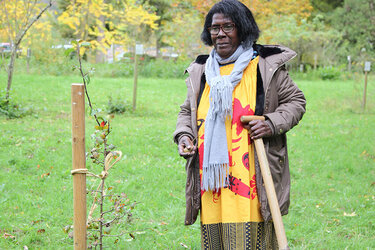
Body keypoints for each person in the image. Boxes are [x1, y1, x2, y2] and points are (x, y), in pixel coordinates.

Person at [173, 0, 306, 248]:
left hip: (252, 173)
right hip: (212, 177)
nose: (220, 34)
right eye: (215, 28)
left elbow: (295, 102)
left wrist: (270, 122)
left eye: (228, 27)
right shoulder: (202, 70)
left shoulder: (264, 66)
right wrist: (184, 136)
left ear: (242, 29)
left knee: (252, 240)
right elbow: (187, 110)